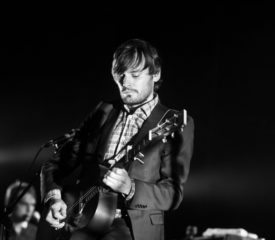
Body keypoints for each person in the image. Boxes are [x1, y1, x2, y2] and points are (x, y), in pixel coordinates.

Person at [38, 38, 194, 240]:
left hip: (131, 228)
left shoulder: (172, 122)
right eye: (120, 75)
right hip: (83, 223)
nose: (125, 82)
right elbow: (56, 164)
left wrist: (131, 188)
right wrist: (53, 198)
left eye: (135, 75)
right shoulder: (103, 111)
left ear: (156, 74)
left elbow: (173, 194)